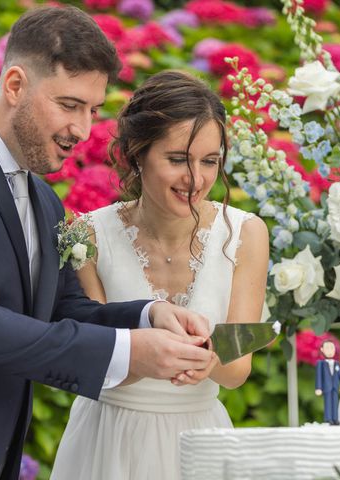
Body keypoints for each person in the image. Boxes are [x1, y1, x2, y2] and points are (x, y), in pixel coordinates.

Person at [0, 8, 214, 480]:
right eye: (69, 105)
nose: (84, 131)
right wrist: (127, 352)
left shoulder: (44, 200)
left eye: (93, 110)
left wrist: (148, 316)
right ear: (15, 85)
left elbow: (63, 309)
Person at [50, 70, 270, 480]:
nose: (197, 179)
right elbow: (91, 353)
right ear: (137, 152)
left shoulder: (246, 234)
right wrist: (145, 354)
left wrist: (208, 360)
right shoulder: (88, 234)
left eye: (209, 161)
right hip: (108, 438)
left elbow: (238, 369)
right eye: (177, 160)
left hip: (198, 440)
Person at [315, 340, 340, 425]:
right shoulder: (320, 363)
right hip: (326, 386)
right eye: (327, 348)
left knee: (335, 403)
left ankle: (335, 418)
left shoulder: (337, 363)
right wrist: (318, 387)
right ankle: (328, 419)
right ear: (322, 349)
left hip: (335, 386)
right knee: (328, 403)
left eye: (332, 348)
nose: (330, 351)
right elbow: (318, 376)